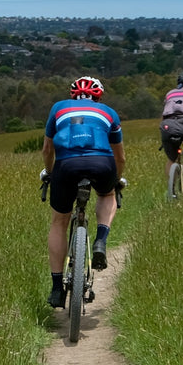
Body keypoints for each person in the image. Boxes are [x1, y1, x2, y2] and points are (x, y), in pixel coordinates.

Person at [40, 76, 125, 309]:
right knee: (107, 194)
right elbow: (120, 157)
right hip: (102, 163)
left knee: (59, 222)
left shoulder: (58, 108)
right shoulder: (109, 113)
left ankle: (57, 289)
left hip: (66, 165)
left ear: (72, 95)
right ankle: (100, 241)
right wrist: (116, 180)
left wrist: (49, 172)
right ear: (99, 97)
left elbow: (48, 149)